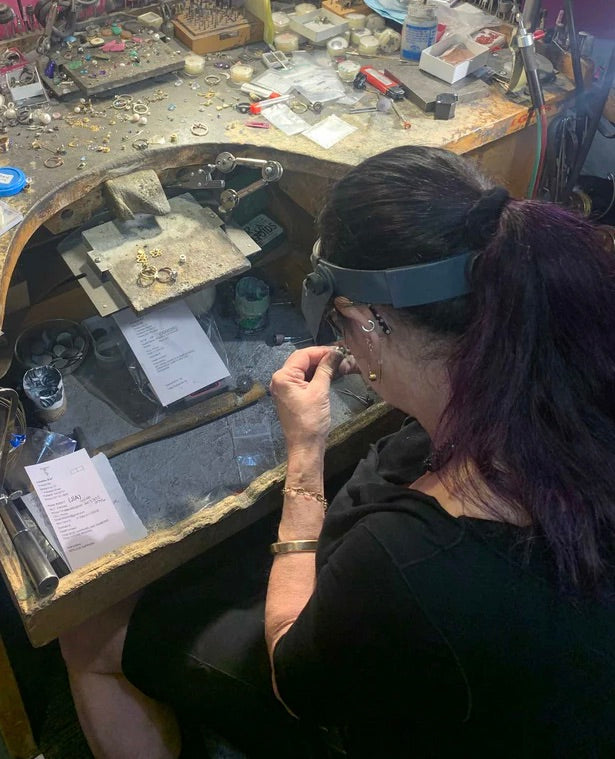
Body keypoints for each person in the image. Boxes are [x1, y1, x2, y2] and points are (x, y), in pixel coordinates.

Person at [60, 145, 615, 758]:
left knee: (88, 631)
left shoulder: (410, 555)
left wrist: (304, 458)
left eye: (342, 324)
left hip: (394, 718)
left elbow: (292, 677)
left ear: (369, 321)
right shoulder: (572, 369)